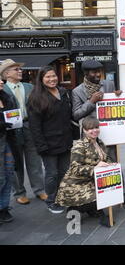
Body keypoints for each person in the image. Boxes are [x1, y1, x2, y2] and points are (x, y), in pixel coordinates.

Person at [71, 60, 125, 206]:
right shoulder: (77, 91)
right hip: (91, 136)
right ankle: (97, 198)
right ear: (86, 73)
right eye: (93, 72)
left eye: (99, 71)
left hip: (109, 132)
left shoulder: (108, 84)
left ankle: (123, 195)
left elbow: (113, 102)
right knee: (95, 166)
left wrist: (118, 95)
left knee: (114, 162)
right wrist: (91, 101)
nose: (97, 75)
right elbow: (76, 114)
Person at [27, 66, 73, 214]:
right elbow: (35, 126)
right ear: (41, 79)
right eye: (47, 77)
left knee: (64, 172)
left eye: (53, 76)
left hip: (65, 141)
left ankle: (61, 197)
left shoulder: (63, 92)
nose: (52, 79)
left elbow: (69, 117)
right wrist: (41, 146)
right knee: (51, 173)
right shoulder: (36, 97)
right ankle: (51, 200)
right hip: (48, 144)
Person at [0, 59, 46, 205]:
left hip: (28, 126)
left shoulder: (29, 87)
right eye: (16, 69)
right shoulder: (2, 90)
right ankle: (19, 192)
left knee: (35, 160)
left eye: (20, 69)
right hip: (11, 130)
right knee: (16, 162)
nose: (20, 71)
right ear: (6, 74)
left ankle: (39, 190)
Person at [55, 117, 115, 227]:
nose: (94, 130)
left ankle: (90, 207)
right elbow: (75, 169)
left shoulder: (99, 143)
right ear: (84, 130)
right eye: (90, 128)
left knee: (109, 186)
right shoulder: (79, 145)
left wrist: (111, 164)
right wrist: (95, 168)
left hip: (91, 179)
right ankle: (74, 209)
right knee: (98, 193)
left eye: (96, 127)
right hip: (76, 183)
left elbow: (105, 158)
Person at [0, 80, 20, 223]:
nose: (2, 81)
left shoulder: (6, 97)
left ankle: (4, 208)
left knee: (8, 175)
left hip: (8, 141)